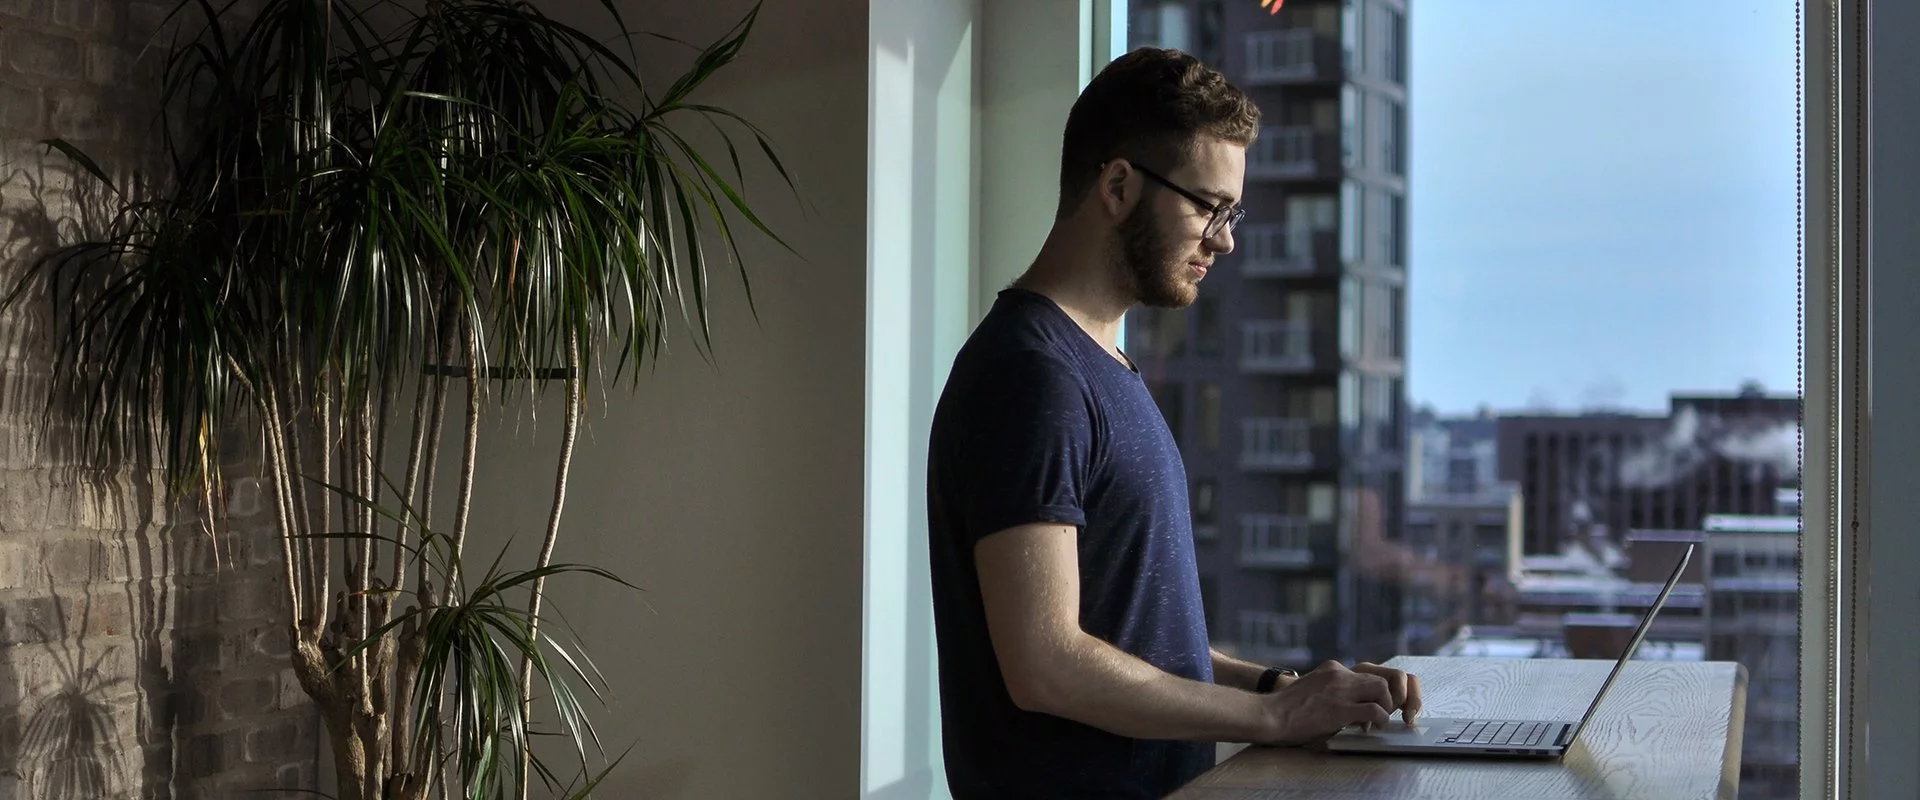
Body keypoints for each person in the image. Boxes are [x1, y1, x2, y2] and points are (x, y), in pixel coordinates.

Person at [925, 47, 1424, 799]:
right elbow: (1047, 664)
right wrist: (1280, 719)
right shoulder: (1030, 377)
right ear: (1119, 185)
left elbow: (1135, 641)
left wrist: (1279, 690)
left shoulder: (1100, 367)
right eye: (1208, 207)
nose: (1224, 239)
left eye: (1232, 212)